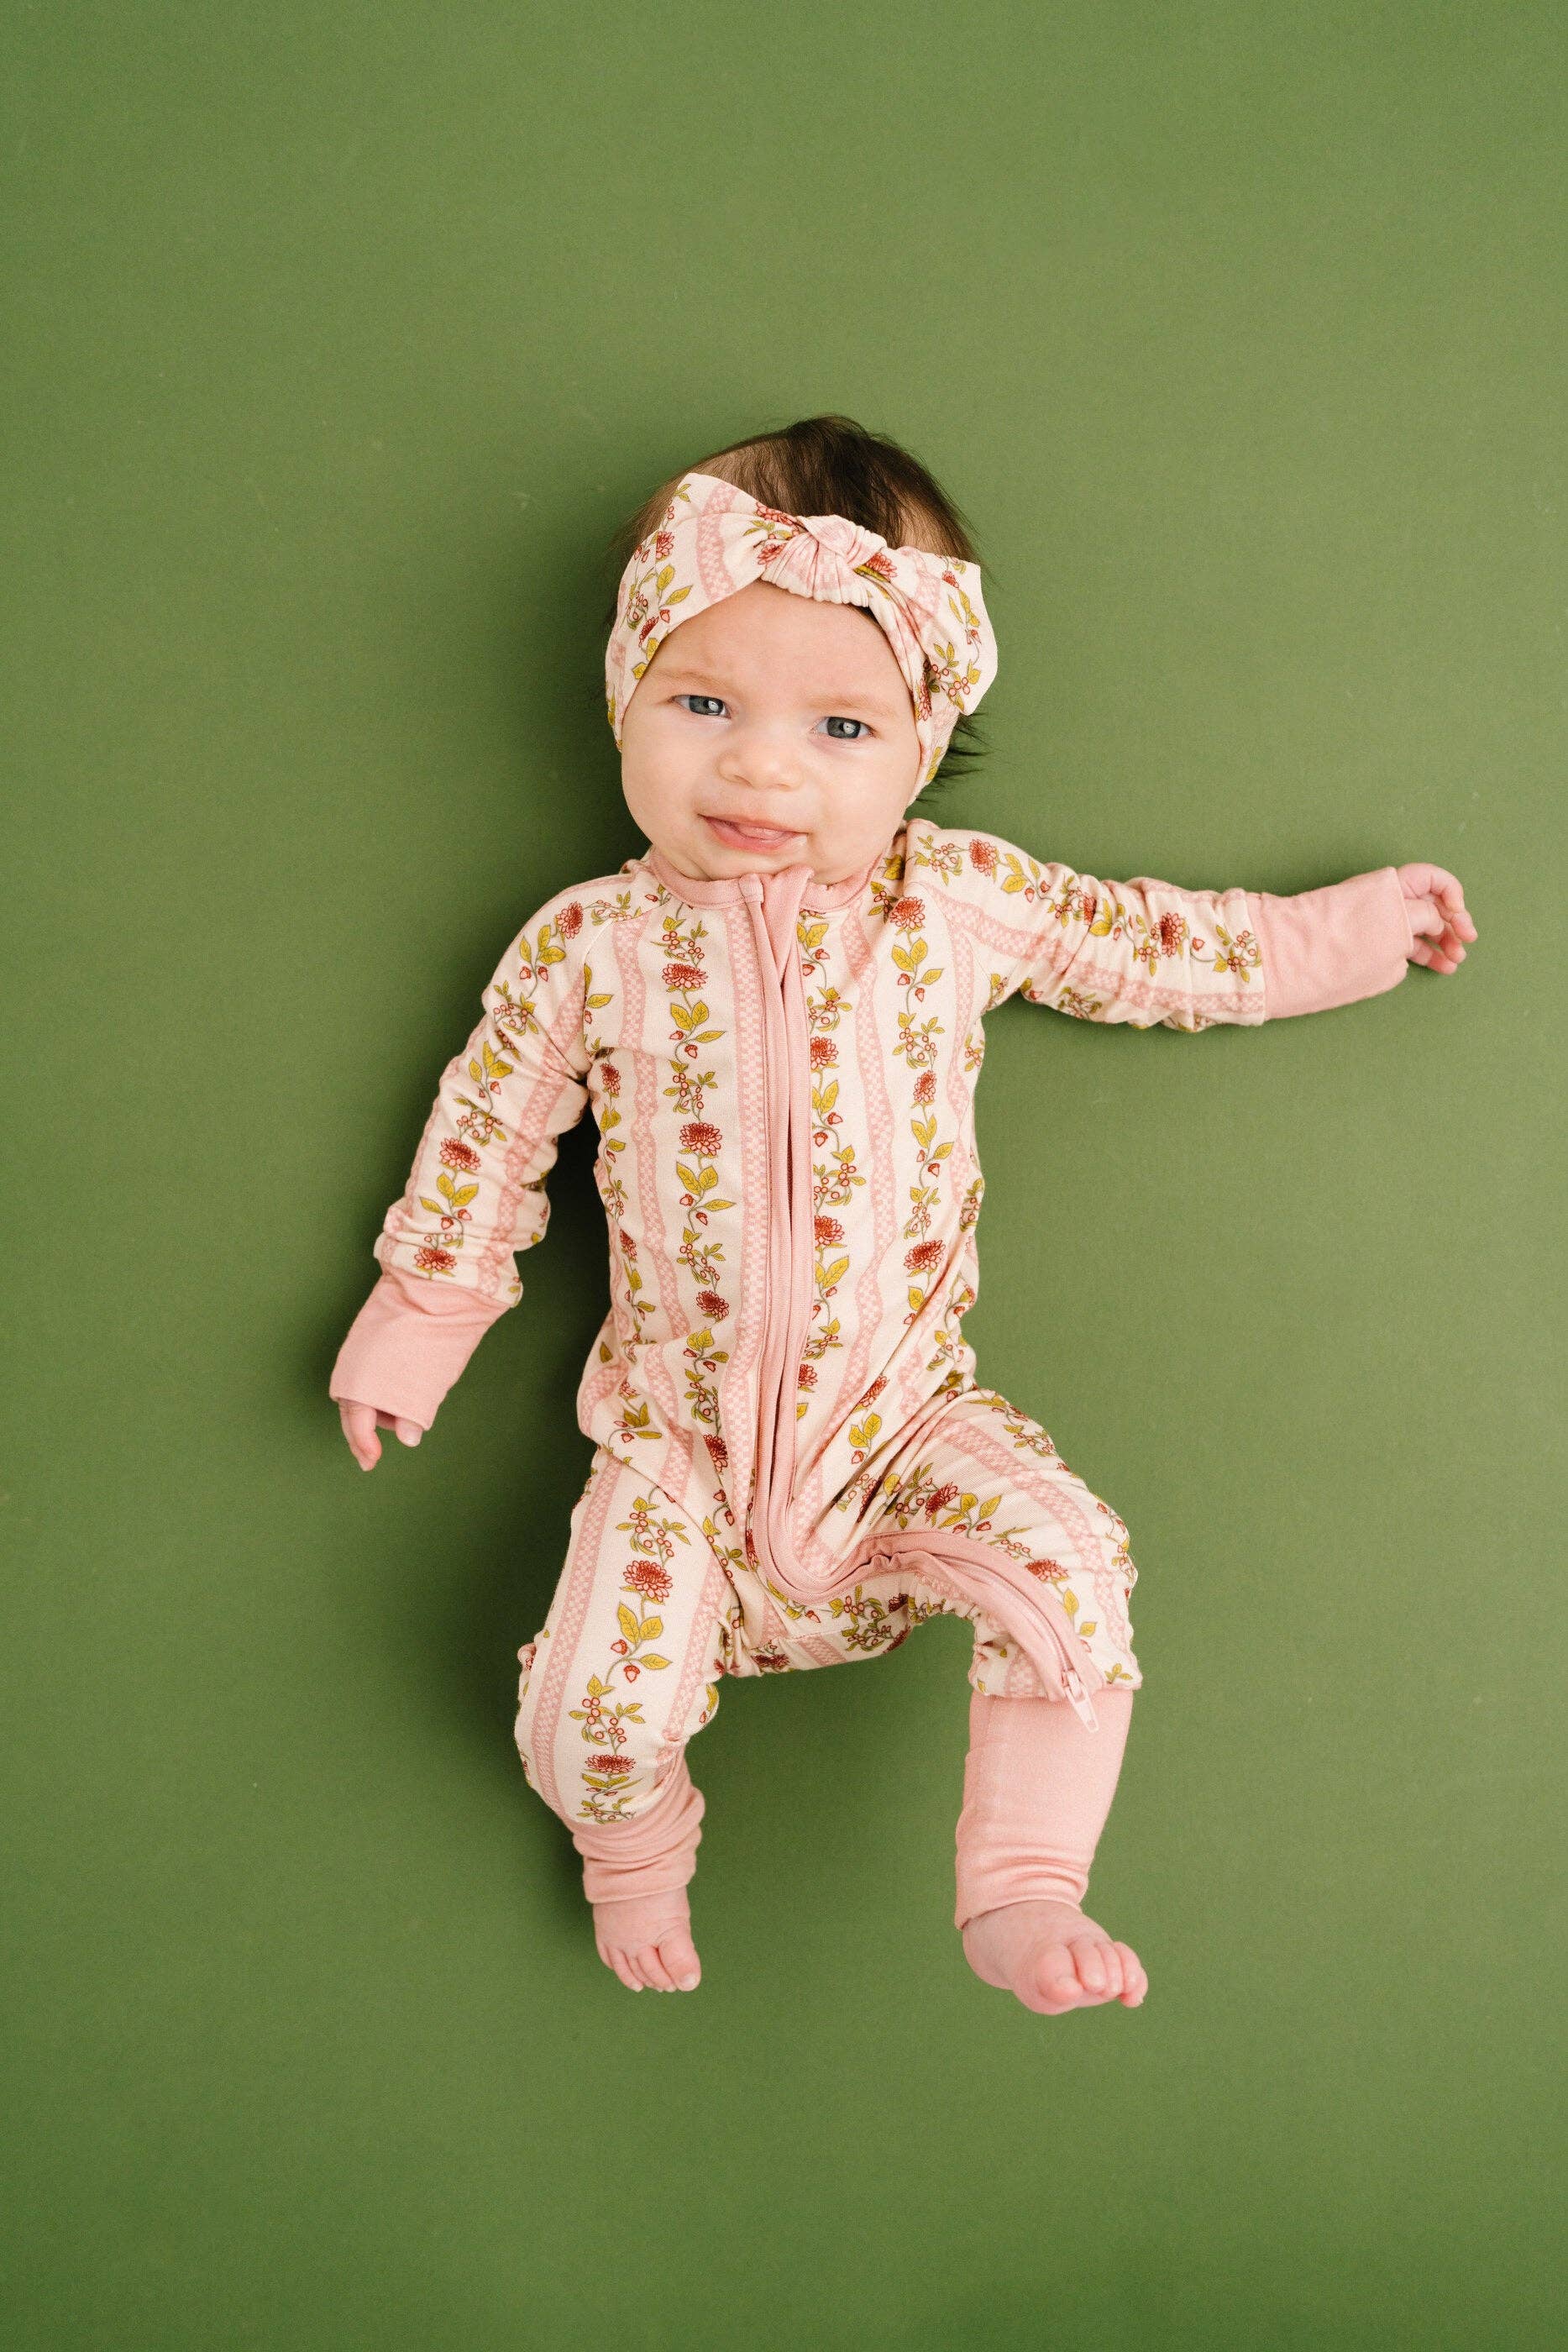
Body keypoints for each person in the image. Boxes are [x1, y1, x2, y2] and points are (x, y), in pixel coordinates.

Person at [329, 415, 1476, 2013]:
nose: (762, 766)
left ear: (923, 751)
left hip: (900, 1432)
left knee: (1074, 1566)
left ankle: (1023, 1885)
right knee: (583, 1719)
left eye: (842, 726)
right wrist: (420, 1321)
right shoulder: (590, 944)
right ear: (624, 699)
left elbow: (1155, 949)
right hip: (678, 1459)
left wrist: (1348, 936)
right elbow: (487, 1132)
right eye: (704, 703)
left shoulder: (953, 901)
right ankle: (633, 1842)